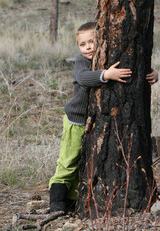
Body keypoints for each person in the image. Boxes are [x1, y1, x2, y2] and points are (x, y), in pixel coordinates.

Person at [49, 22, 158, 213]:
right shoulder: (81, 61)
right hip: (76, 121)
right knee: (68, 160)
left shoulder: (108, 56)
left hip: (93, 123)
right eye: (83, 44)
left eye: (92, 42)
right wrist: (107, 74)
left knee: (84, 162)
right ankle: (56, 200)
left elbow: (133, 65)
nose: (88, 47)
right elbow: (83, 78)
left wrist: (152, 74)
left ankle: (72, 200)